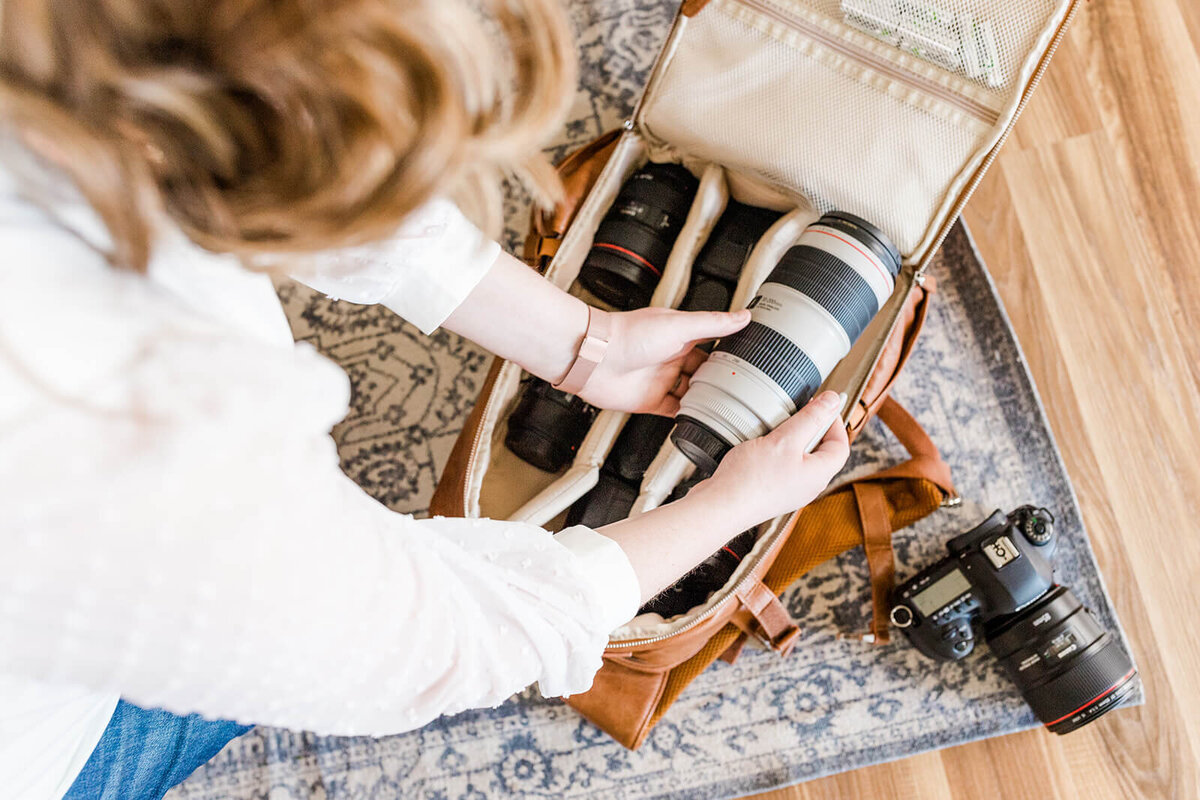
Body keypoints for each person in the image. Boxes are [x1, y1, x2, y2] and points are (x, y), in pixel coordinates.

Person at [0, 0, 851, 797]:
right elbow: (425, 648)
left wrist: (586, 348)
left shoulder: (58, 50)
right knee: (246, 658)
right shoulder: (139, 425)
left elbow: (255, 157)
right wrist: (732, 505)